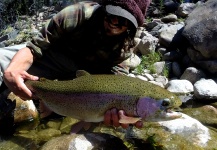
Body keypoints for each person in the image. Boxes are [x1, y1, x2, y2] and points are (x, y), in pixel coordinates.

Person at [0, 0, 150, 128]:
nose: (115, 24)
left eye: (124, 22)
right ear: (105, 7)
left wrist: (119, 112)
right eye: (112, 16)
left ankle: (56, 107)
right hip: (53, 59)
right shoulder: (77, 14)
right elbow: (34, 47)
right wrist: (12, 71)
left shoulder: (127, 43)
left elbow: (118, 80)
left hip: (88, 84)